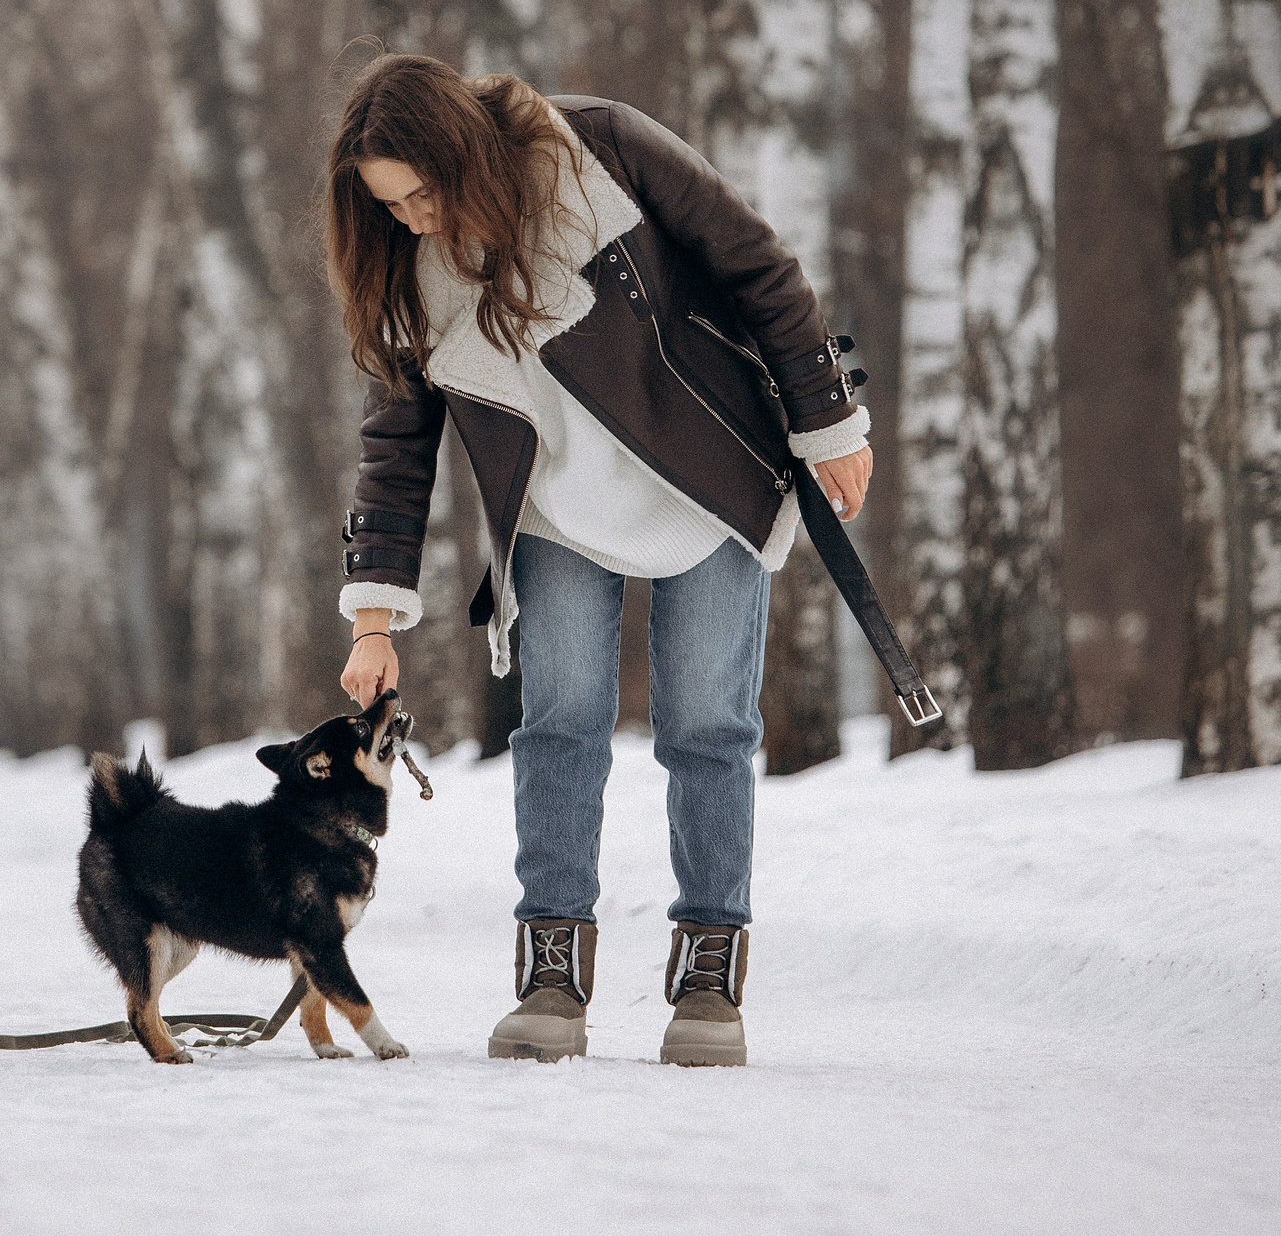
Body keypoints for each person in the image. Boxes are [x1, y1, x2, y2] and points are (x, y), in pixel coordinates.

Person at [323, 53, 871, 1067]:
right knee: (559, 727)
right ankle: (550, 978)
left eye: (420, 193)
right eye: (389, 206)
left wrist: (828, 421)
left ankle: (709, 982)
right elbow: (396, 448)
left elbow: (758, 265)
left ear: (461, 151)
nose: (410, 220)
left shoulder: (602, 149)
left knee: (709, 727)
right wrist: (372, 620)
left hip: (705, 483)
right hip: (553, 518)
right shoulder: (408, 269)